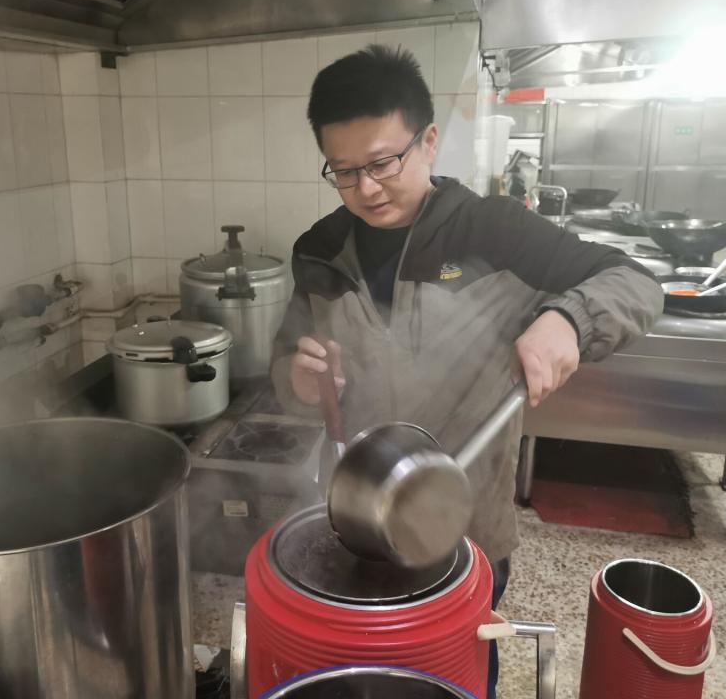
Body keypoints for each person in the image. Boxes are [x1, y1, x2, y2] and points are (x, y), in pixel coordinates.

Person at [269, 45, 663, 698]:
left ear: (428, 141)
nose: (366, 189)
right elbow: (287, 359)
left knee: (456, 670)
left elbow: (635, 281)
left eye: (383, 163)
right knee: (360, 676)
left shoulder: (493, 230)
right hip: (355, 517)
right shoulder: (319, 249)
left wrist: (567, 319)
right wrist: (298, 377)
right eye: (343, 171)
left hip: (465, 521)